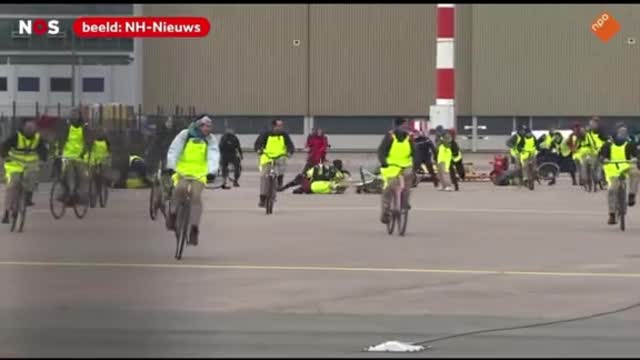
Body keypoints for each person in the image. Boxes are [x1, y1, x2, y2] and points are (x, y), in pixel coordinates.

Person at [164, 115, 220, 246]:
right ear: (199, 125)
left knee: (196, 196)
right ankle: (172, 214)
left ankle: (194, 228)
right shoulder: (185, 134)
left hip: (200, 173)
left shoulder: (210, 139)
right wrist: (171, 166)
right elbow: (174, 150)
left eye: (210, 126)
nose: (209, 129)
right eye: (206, 126)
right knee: (180, 190)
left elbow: (213, 155)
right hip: (182, 171)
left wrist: (212, 171)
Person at [1, 119, 48, 223]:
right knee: (12, 186)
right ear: (23, 127)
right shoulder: (16, 136)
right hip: (14, 165)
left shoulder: (37, 138)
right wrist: (5, 156)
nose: (30, 130)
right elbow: (5, 146)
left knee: (33, 180)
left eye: (32, 128)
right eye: (28, 128)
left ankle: (27, 197)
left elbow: (43, 150)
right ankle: (7, 213)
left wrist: (43, 159)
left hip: (30, 166)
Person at [377, 117, 417, 224]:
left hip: (406, 165)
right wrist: (383, 162)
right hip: (391, 166)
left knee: (408, 184)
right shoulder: (390, 136)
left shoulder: (409, 137)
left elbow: (414, 152)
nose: (405, 127)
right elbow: (381, 151)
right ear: (397, 126)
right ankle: (386, 211)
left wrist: (416, 165)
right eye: (403, 125)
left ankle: (404, 202)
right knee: (388, 188)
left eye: (406, 125)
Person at [600, 125, 640, 225]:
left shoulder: (630, 143)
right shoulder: (608, 144)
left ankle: (632, 194)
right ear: (616, 133)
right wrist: (604, 159)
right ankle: (612, 214)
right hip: (612, 168)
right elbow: (601, 155)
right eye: (621, 131)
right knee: (612, 190)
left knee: (635, 172)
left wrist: (636, 158)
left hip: (626, 165)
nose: (623, 133)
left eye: (625, 132)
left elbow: (636, 153)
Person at [254, 119, 295, 207]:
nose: (281, 127)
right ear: (273, 126)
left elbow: (290, 145)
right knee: (264, 177)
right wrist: (258, 150)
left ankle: (280, 180)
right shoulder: (266, 134)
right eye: (279, 126)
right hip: (267, 157)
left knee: (282, 166)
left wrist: (289, 152)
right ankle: (262, 198)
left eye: (281, 125)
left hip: (280, 157)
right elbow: (258, 144)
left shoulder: (284, 135)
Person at [55, 113, 91, 205]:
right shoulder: (67, 128)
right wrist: (59, 151)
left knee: (82, 177)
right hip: (67, 156)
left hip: (79, 157)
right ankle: (66, 193)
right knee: (64, 176)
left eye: (76, 117)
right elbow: (61, 140)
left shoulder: (84, 128)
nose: (74, 118)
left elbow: (87, 141)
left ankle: (79, 195)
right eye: (73, 116)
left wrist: (84, 152)